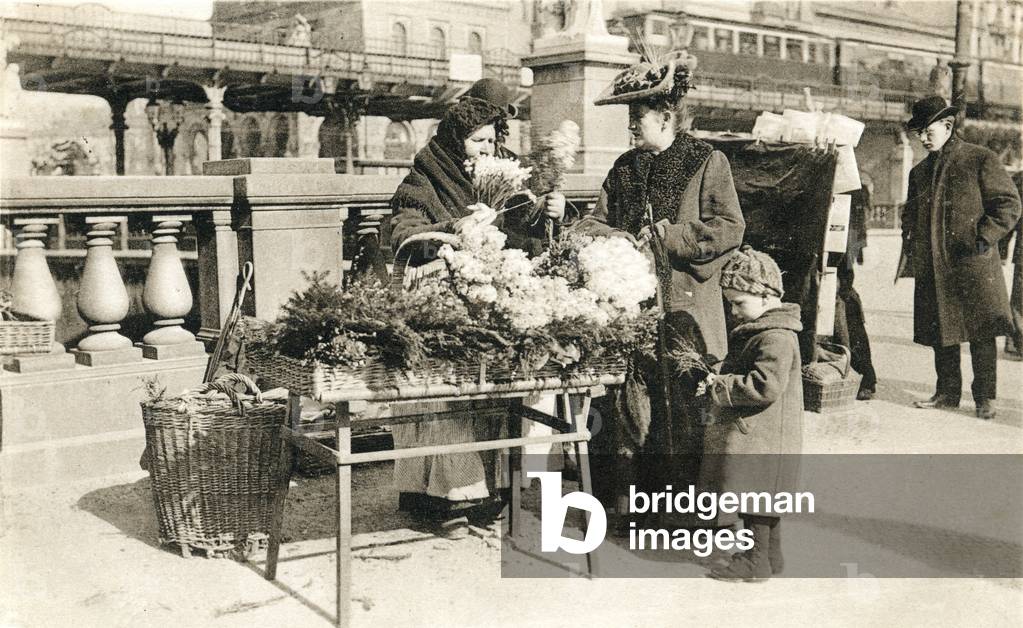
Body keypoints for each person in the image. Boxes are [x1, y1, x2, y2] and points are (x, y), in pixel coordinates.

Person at [388, 96, 564, 537]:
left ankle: (485, 490)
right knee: (446, 395)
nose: (486, 150)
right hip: (439, 303)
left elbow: (524, 232)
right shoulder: (424, 177)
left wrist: (549, 213)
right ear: (454, 140)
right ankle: (443, 496)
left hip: (486, 299)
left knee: (491, 393)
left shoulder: (497, 177)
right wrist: (454, 229)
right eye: (476, 141)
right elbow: (404, 231)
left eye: (490, 141)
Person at [587, 53, 745, 506]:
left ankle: (681, 509)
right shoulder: (624, 168)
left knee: (684, 411)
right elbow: (592, 223)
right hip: (633, 315)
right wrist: (618, 239)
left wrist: (670, 237)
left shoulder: (707, 161)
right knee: (630, 408)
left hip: (686, 310)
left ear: (665, 116)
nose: (630, 128)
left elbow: (729, 228)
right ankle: (629, 505)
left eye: (636, 119)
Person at [900, 95, 1021, 420]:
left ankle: (985, 398)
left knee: (982, 333)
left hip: (973, 264)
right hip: (934, 265)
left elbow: (1008, 204)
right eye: (919, 133)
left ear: (948, 125)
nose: (923, 138)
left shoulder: (979, 158)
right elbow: (910, 214)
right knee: (941, 331)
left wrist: (983, 238)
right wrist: (912, 245)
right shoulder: (919, 172)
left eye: (928, 131)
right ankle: (947, 393)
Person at [699, 246, 803, 582]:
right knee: (765, 500)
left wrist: (721, 385)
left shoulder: (774, 337)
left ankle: (754, 561)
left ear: (765, 295)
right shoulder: (770, 331)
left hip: (760, 436)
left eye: (739, 303)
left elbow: (765, 385)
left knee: (754, 499)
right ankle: (771, 555)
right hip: (767, 434)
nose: (734, 311)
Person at [834, 176, 878, 400]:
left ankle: (864, 374)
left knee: (845, 301)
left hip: (837, 247)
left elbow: (857, 220)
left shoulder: (851, 182)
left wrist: (854, 249)